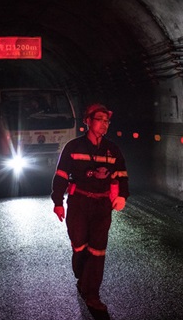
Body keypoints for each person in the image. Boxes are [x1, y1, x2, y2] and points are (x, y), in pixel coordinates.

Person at [51, 103, 129, 313]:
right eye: (100, 119)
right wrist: (58, 202)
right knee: (79, 245)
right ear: (87, 121)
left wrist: (122, 195)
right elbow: (60, 175)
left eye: (107, 121)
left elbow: (121, 174)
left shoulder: (113, 149)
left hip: (102, 205)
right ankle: (82, 277)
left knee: (97, 250)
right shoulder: (73, 147)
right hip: (79, 203)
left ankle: (92, 294)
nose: (104, 124)